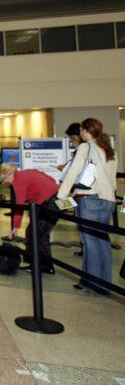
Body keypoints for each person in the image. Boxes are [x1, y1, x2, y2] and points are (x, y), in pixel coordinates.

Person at [58, 118, 118, 294]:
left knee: (89, 243)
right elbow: (112, 178)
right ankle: (104, 283)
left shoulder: (85, 147)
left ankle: (90, 282)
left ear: (85, 131)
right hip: (107, 200)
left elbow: (72, 173)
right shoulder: (109, 149)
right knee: (102, 241)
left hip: (88, 199)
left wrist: (61, 196)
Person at [0, 163, 59, 274]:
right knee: (35, 232)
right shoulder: (26, 172)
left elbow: (19, 206)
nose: (6, 182)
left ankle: (43, 265)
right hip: (57, 198)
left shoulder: (17, 181)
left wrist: (15, 227)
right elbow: (50, 179)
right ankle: (41, 264)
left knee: (37, 234)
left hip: (49, 203)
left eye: (4, 179)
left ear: (9, 173)